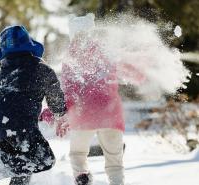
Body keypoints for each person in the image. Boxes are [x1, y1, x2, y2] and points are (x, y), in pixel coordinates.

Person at [40, 13, 143, 185]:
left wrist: (52, 114)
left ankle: (82, 177)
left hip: (83, 115)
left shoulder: (70, 58)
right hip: (111, 113)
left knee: (77, 154)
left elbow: (68, 92)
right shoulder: (107, 51)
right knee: (114, 158)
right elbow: (127, 69)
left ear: (73, 33)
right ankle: (117, 182)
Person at [0, 25, 66, 185]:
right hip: (20, 121)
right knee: (43, 159)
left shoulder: (4, 68)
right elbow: (55, 98)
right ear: (29, 46)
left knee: (22, 157)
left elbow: (14, 96)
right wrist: (60, 113)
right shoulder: (42, 69)